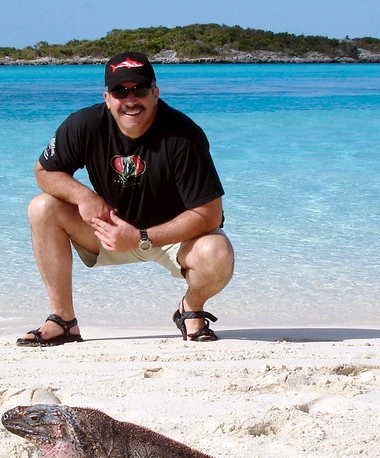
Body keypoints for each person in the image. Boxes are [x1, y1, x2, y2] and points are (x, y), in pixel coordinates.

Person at [17, 51, 234, 346]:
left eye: (140, 90)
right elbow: (43, 172)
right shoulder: (84, 124)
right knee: (41, 207)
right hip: (109, 231)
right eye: (121, 91)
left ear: (155, 93)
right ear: (107, 97)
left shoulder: (184, 135)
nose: (131, 99)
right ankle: (63, 320)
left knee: (217, 253)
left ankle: (191, 309)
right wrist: (82, 195)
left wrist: (141, 238)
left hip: (173, 238)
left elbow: (208, 214)